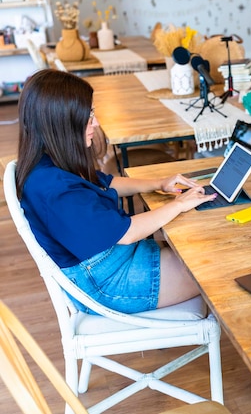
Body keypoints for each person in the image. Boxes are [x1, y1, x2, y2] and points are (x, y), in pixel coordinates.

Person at [15, 69, 218, 313]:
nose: (96, 123)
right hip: (110, 283)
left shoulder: (48, 163)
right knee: (215, 263)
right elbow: (127, 233)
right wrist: (178, 204)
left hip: (111, 264)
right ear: (63, 122)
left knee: (200, 242)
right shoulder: (55, 191)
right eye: (89, 116)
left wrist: (159, 183)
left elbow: (106, 182)